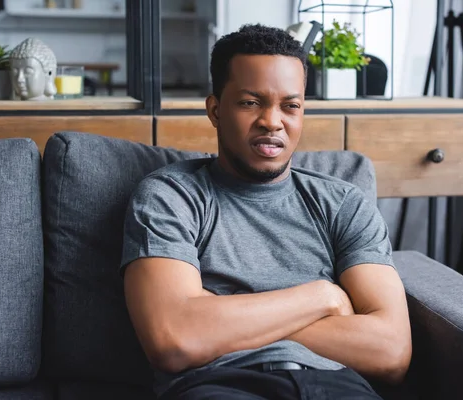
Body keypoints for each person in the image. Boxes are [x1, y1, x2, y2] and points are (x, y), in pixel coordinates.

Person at [121, 24, 412, 400]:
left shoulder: (343, 204)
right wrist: (323, 298)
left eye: (290, 106)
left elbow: (391, 352)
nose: (272, 121)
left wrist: (218, 318)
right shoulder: (171, 197)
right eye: (250, 102)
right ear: (215, 110)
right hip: (221, 386)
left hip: (337, 387)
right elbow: (173, 340)